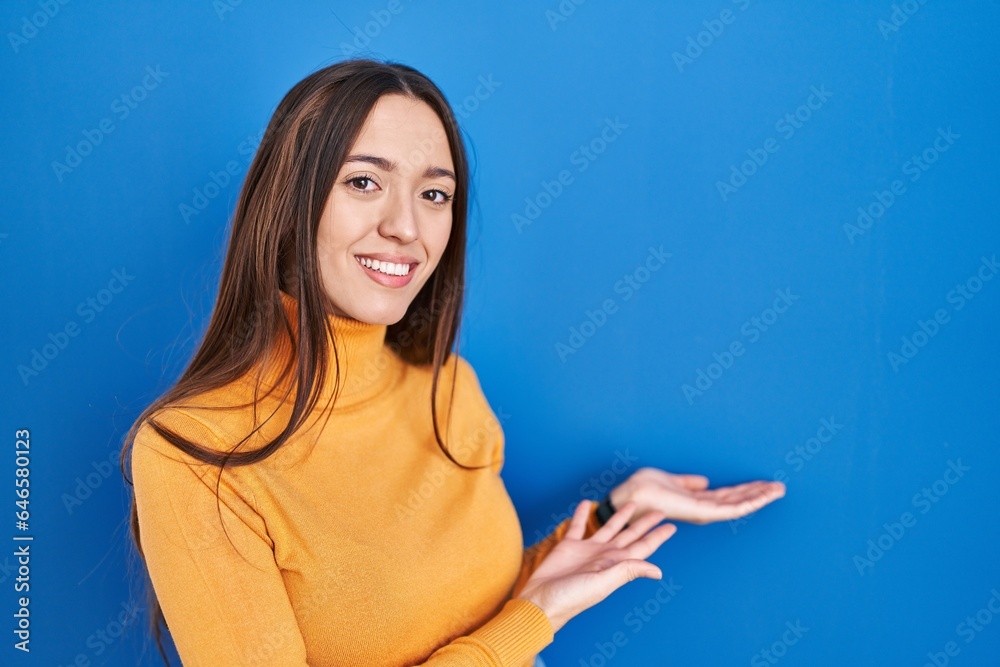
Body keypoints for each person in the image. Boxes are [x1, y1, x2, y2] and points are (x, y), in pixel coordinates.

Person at [121, 58, 785, 666]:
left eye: (434, 194)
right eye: (363, 181)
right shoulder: (195, 456)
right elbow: (511, 632)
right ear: (289, 206)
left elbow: (469, 619)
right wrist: (537, 616)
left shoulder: (449, 391)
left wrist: (615, 513)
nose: (406, 227)